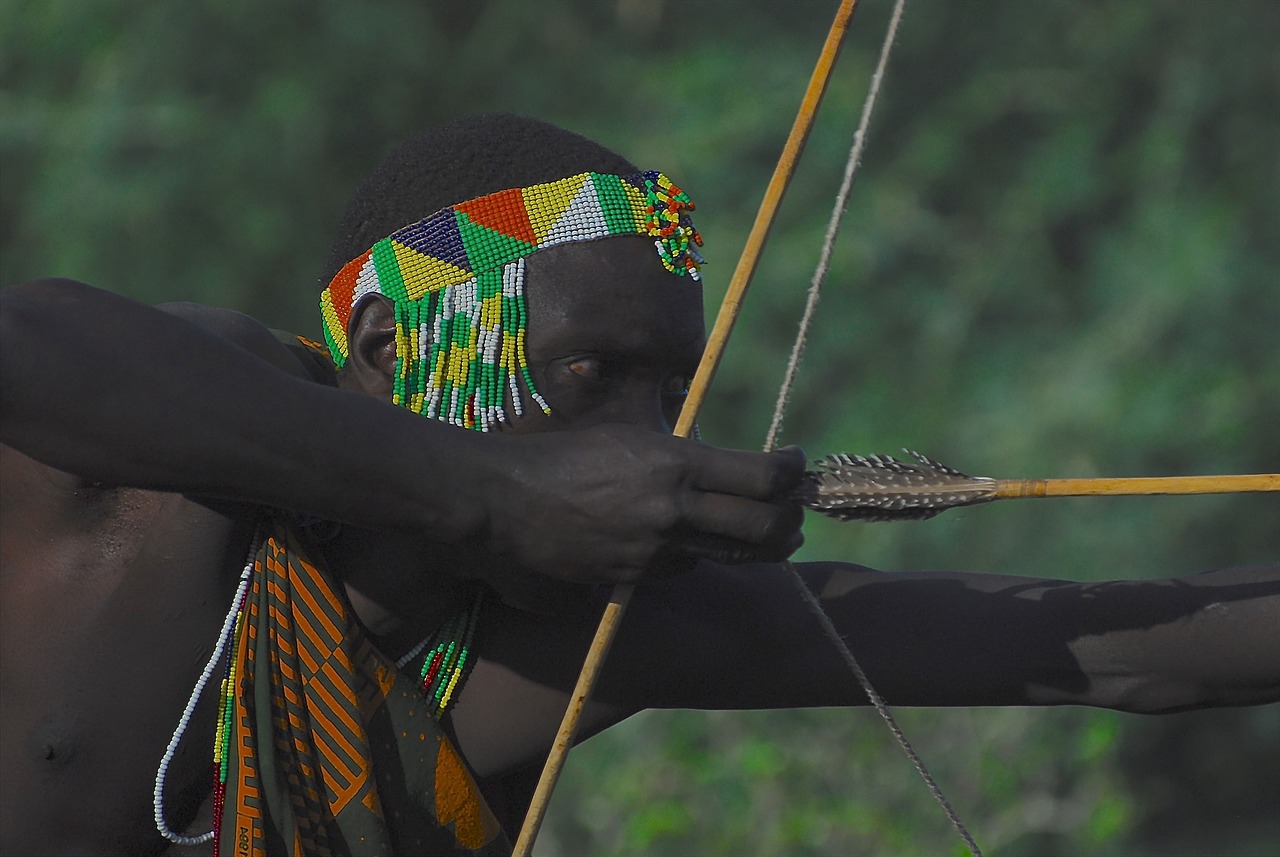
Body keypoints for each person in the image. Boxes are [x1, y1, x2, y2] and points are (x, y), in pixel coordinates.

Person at [1, 114, 1275, 857]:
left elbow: (1131, 647)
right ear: (391, 350)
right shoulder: (146, 461)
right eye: (587, 372)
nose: (646, 439)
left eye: (666, 393)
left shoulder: (576, 638)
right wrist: (497, 492)